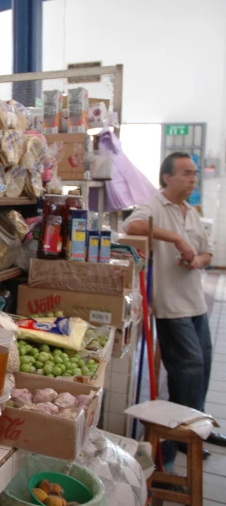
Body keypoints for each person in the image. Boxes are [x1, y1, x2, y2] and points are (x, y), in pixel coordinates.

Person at [124, 152, 226, 467]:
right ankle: (178, 438)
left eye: (194, 173)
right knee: (188, 367)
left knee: (203, 366)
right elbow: (134, 224)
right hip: (170, 306)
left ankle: (197, 427)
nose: (192, 179)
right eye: (186, 173)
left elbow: (207, 252)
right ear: (167, 177)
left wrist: (197, 260)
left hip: (195, 301)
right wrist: (176, 239)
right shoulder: (156, 205)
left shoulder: (191, 211)